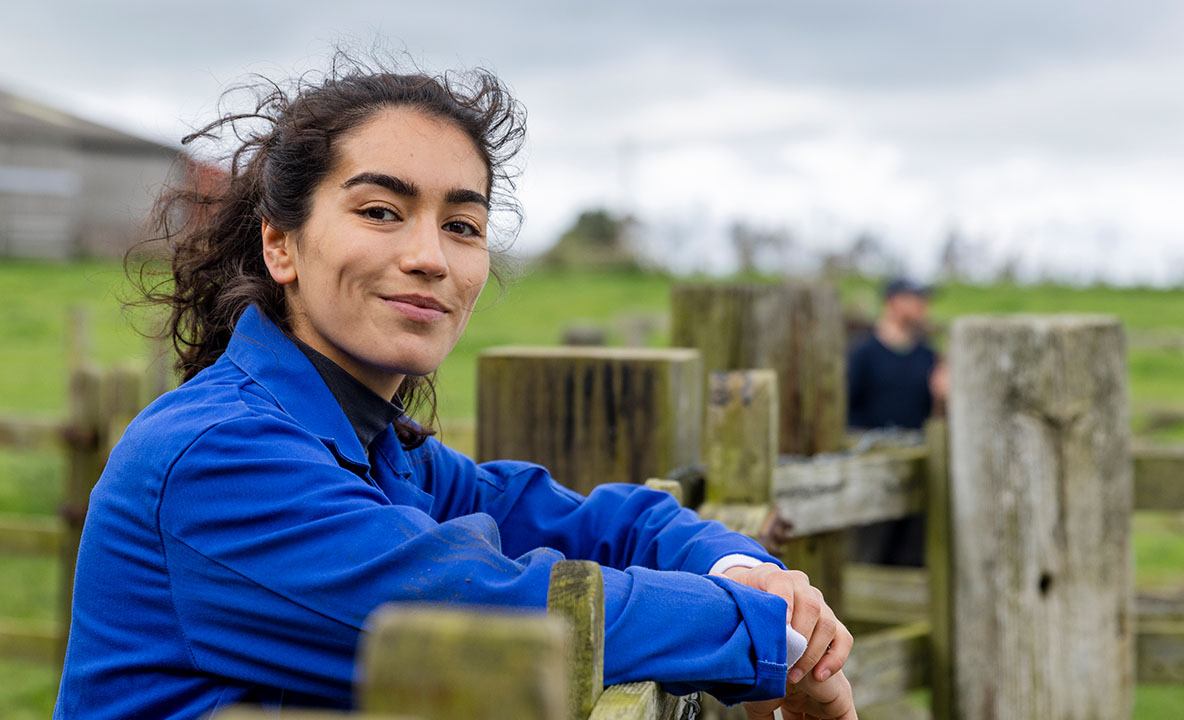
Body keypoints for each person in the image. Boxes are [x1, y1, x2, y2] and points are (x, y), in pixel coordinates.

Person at [53, 57, 856, 719]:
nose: (431, 256)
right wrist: (766, 635)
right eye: (380, 210)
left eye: (462, 226)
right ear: (281, 245)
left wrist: (741, 569)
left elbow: (595, 524)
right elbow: (488, 610)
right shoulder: (218, 457)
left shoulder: (378, 445)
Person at [846, 277, 946, 566]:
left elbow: (933, 416)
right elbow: (848, 408)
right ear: (892, 302)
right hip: (872, 471)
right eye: (915, 299)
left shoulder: (927, 355)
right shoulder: (864, 353)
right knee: (869, 553)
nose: (922, 306)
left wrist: (941, 397)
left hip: (917, 471)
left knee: (911, 555)